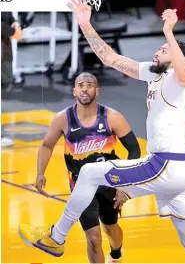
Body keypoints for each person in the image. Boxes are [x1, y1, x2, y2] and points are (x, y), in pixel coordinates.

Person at [18, 0, 185, 263]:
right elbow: (110, 58)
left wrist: (169, 32)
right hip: (183, 168)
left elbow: (184, 74)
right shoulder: (154, 73)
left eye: (164, 50)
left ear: (176, 58)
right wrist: (85, 24)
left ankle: (56, 238)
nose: (158, 52)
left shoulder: (177, 81)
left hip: (166, 165)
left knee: (89, 172)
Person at [19, 72, 141, 263]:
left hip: (109, 183)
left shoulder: (112, 117)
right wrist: (40, 173)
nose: (85, 88)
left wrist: (124, 185)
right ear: (74, 90)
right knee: (93, 238)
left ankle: (116, 253)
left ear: (97, 91)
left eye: (89, 84)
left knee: (111, 228)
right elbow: (47, 145)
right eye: (81, 85)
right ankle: (58, 238)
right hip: (80, 186)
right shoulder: (63, 118)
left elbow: (134, 151)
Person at [1, 12, 22, 147]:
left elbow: (9, 18)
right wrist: (13, 30)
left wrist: (15, 23)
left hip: (4, 47)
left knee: (5, 82)